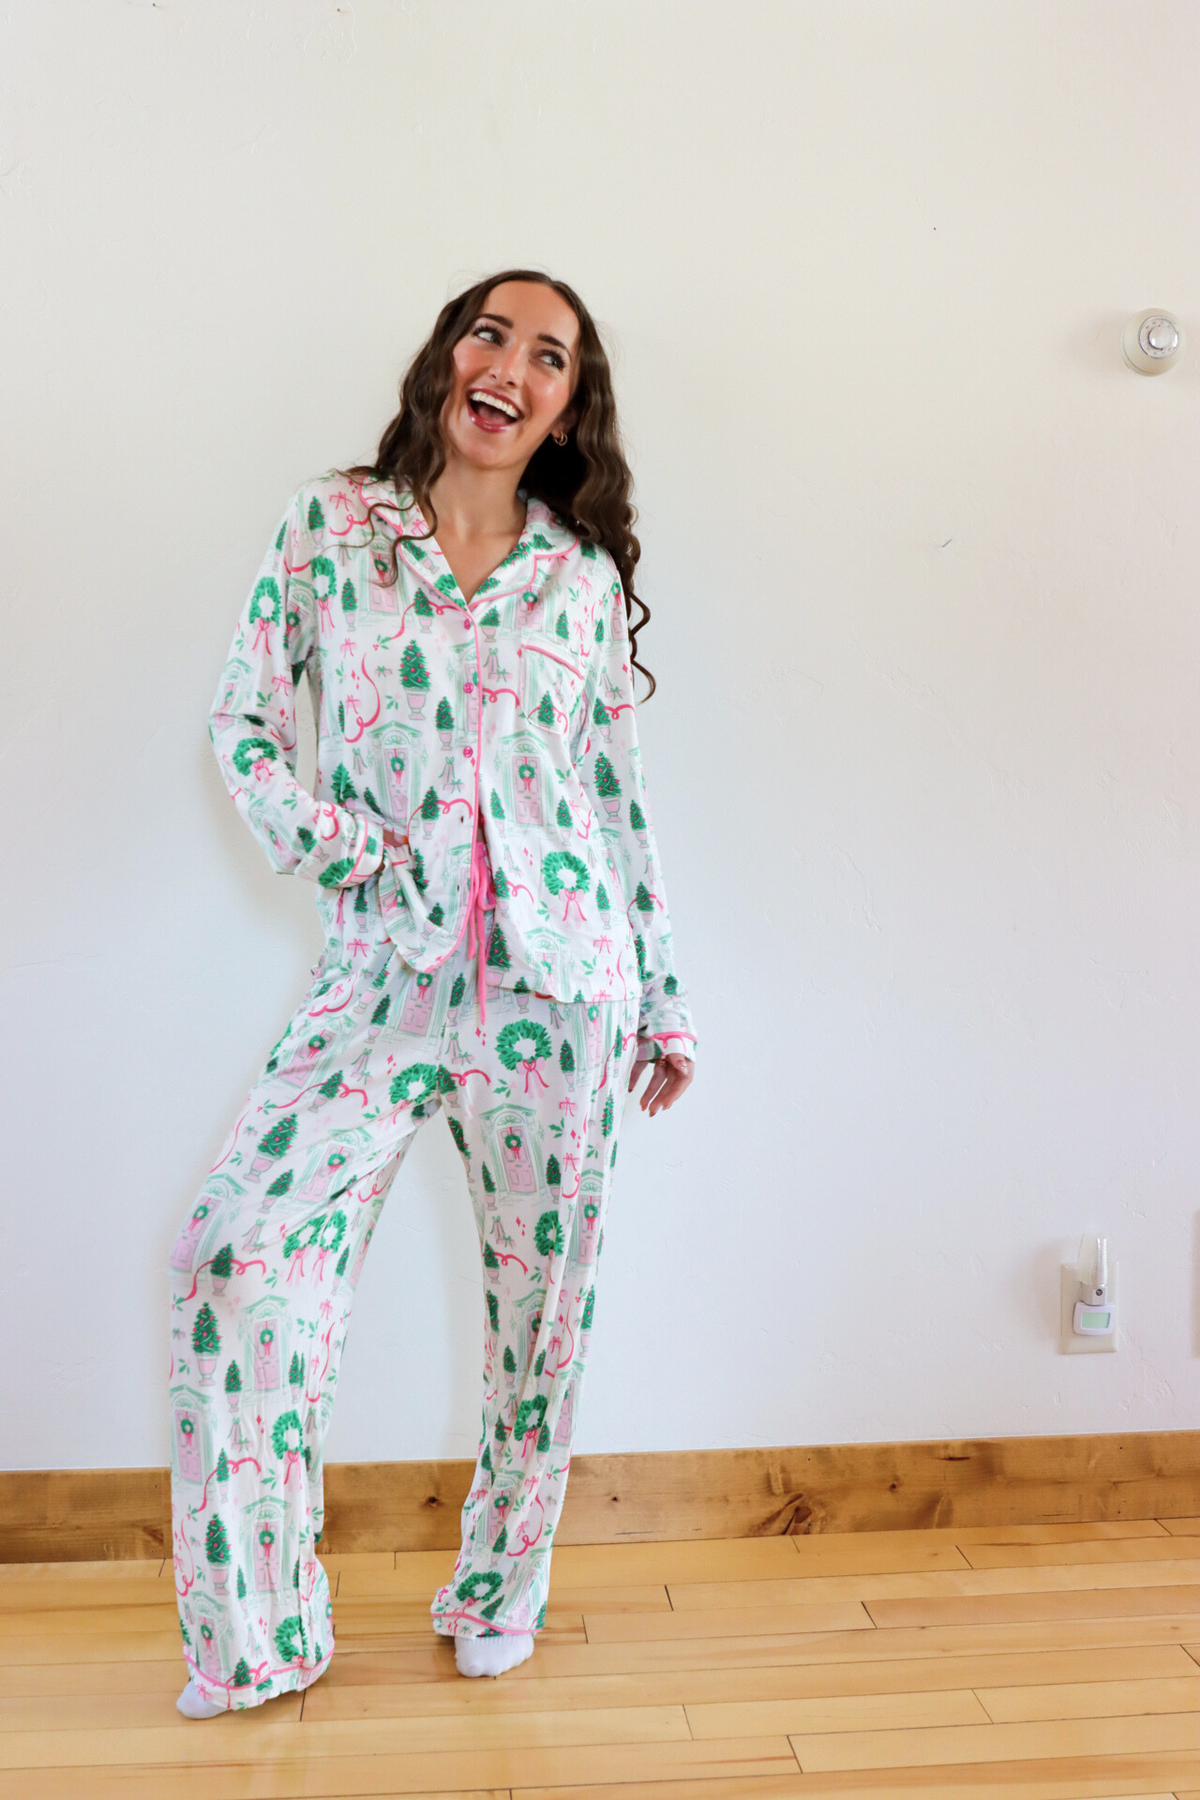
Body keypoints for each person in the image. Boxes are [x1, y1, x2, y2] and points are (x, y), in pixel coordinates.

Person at [169, 270, 696, 1716]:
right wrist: (346, 845)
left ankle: (500, 1584)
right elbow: (245, 725)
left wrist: (661, 994)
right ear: (445, 359)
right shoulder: (333, 527)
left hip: (564, 978)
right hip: (379, 975)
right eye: (492, 333)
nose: (512, 367)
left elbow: (613, 799)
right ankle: (262, 1633)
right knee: (235, 1259)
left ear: (566, 411)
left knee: (544, 1309)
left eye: (550, 359)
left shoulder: (577, 582)